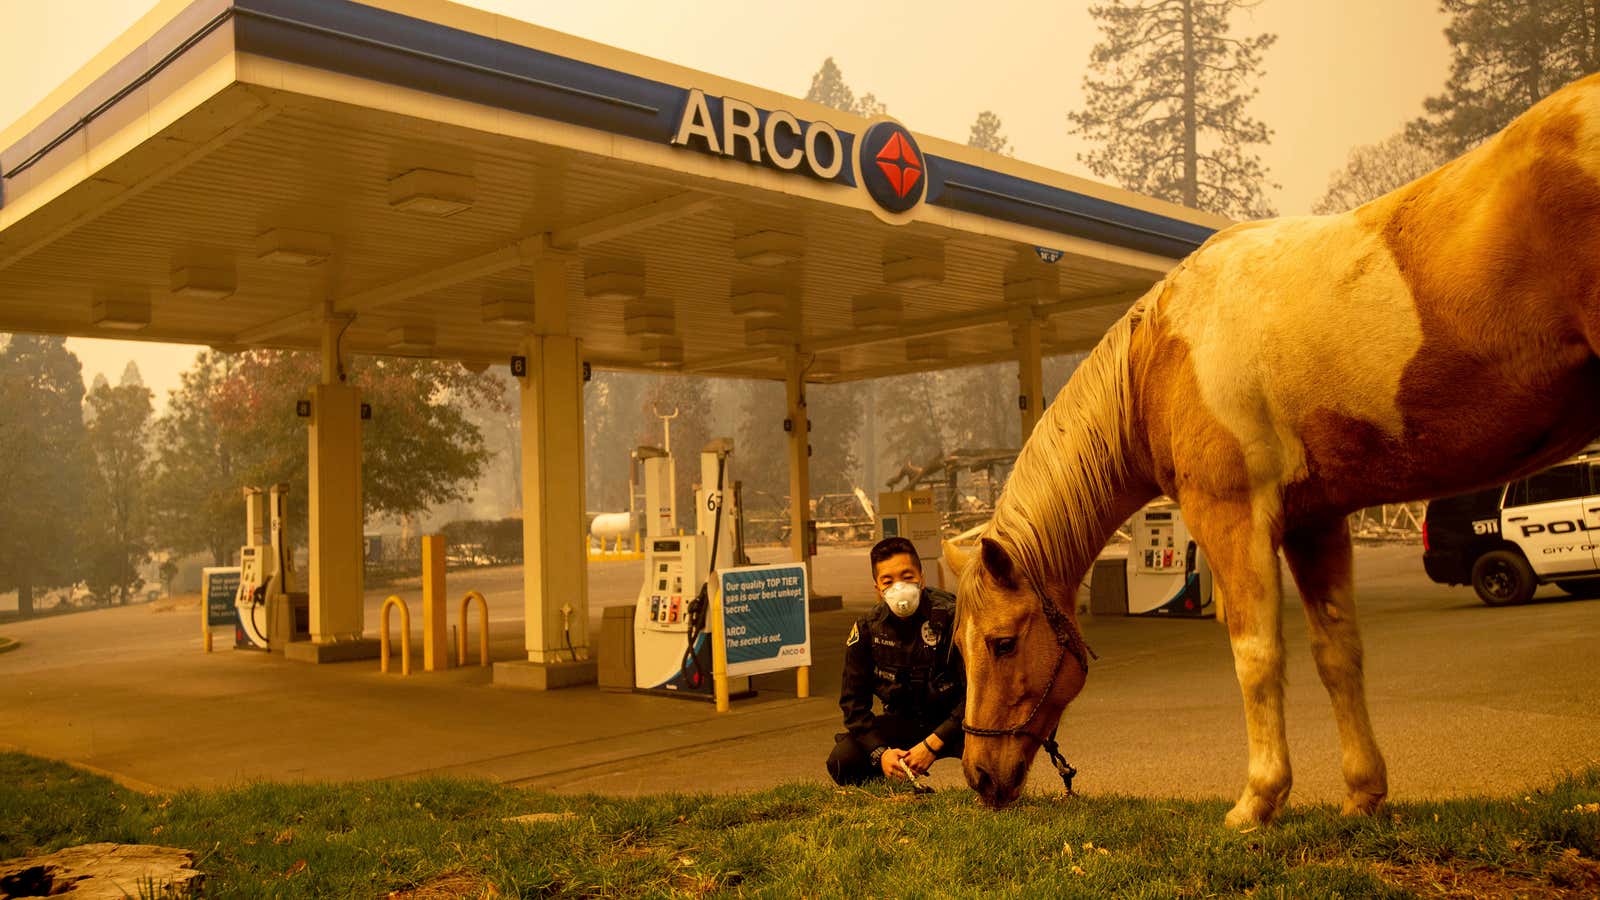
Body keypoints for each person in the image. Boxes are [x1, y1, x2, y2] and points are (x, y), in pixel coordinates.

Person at [826, 536, 965, 785]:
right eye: (888, 581)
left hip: (956, 723)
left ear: (922, 578)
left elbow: (978, 693)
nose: (899, 587)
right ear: (878, 590)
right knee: (842, 761)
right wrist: (881, 753)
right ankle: (899, 785)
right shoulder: (868, 629)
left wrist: (932, 745)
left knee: (993, 760)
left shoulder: (954, 617)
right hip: (905, 720)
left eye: (907, 577)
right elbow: (853, 706)